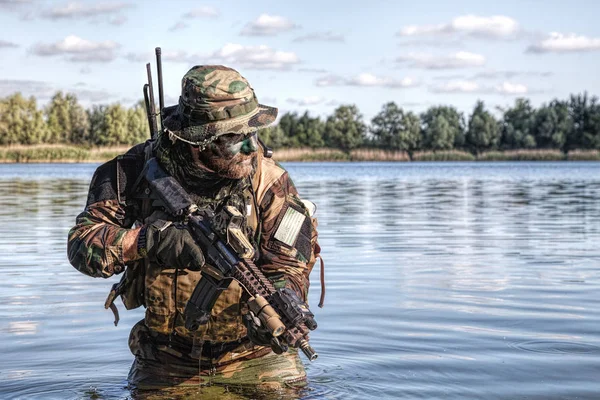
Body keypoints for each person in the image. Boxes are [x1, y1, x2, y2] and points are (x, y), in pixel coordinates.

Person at [67, 65, 322, 390]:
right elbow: (82, 245)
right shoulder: (129, 174)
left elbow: (289, 266)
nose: (251, 148)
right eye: (234, 138)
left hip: (257, 355)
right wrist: (147, 240)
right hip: (165, 359)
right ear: (198, 141)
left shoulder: (270, 183)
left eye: (253, 134)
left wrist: (277, 303)